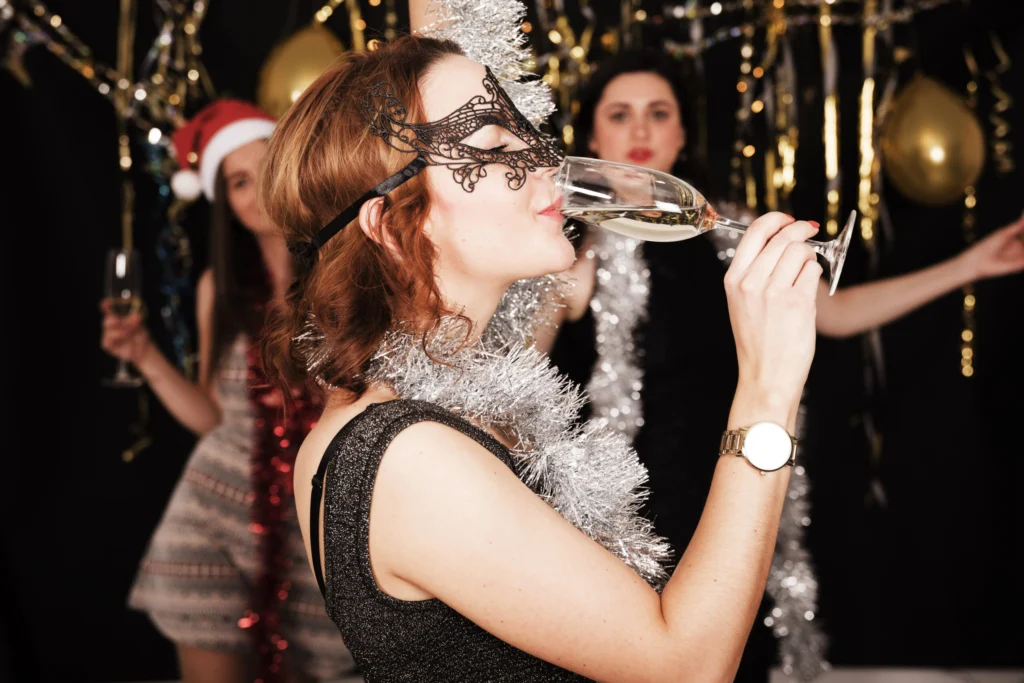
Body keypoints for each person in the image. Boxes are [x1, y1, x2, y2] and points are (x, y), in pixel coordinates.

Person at [258, 29, 831, 680]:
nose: (546, 160)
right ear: (392, 225)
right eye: (496, 146)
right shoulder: (407, 456)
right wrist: (767, 386)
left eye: (527, 134)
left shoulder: (433, 402)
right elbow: (687, 668)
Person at [541, 48, 1024, 681]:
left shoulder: (728, 232)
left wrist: (970, 266)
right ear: (595, 135)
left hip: (741, 482)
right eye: (620, 114)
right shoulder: (572, 252)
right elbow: (525, 362)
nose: (639, 131)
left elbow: (836, 313)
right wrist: (552, 258)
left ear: (682, 132)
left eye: (658, 113)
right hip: (635, 513)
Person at [100, 99, 357, 683]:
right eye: (239, 181)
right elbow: (212, 416)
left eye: (266, 168)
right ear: (226, 205)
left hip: (316, 525)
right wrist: (143, 356)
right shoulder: (221, 287)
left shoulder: (349, 274)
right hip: (213, 516)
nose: (258, 190)